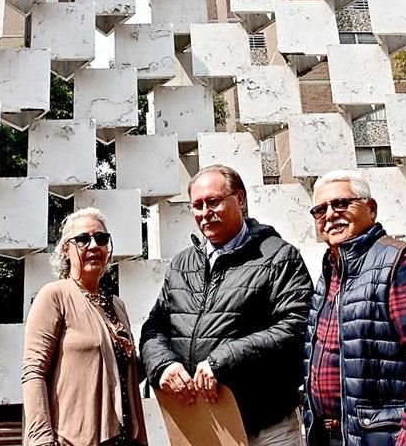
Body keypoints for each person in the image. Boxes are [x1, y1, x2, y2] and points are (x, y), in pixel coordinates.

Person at [140, 164, 313, 445]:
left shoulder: (279, 256)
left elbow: (296, 326)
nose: (205, 213)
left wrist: (223, 361)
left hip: (268, 427)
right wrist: (162, 365)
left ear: (240, 199)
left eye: (213, 201)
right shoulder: (182, 264)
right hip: (204, 424)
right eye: (197, 205)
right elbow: (154, 328)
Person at [303, 170, 406, 446]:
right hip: (334, 436)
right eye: (320, 210)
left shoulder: (399, 261)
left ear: (370, 208)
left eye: (341, 204)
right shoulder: (329, 272)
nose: (330, 215)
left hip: (386, 437)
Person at [22, 207, 148, 446]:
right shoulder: (54, 296)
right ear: (66, 250)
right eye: (82, 239)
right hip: (70, 439)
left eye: (101, 239)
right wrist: (42, 440)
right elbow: (33, 372)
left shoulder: (116, 305)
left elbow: (119, 372)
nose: (93, 246)